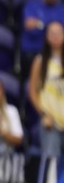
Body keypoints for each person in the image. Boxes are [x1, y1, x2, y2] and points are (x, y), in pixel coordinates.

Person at [29, 21, 64, 157]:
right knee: (51, 164)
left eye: (59, 33)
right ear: (46, 37)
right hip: (51, 122)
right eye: (52, 33)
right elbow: (32, 92)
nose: (56, 36)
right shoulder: (40, 61)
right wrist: (44, 115)